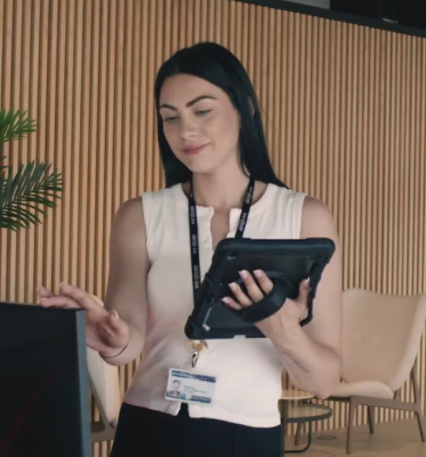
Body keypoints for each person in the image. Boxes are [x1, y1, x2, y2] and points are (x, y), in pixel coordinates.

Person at [38, 42, 343, 456]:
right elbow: (129, 342)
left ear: (245, 108)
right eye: (170, 118)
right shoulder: (139, 215)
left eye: (202, 111)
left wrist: (283, 330)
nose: (185, 131)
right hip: (149, 427)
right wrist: (110, 339)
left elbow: (324, 381)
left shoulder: (305, 218)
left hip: (245, 435)